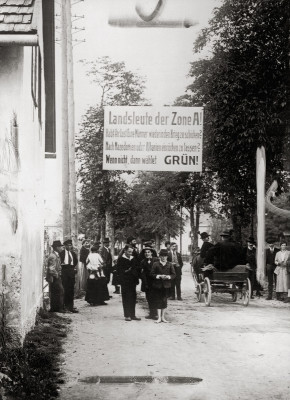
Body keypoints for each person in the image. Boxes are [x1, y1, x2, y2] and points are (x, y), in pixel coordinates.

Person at [151, 249, 176, 323]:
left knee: (164, 301)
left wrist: (168, 277)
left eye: (165, 256)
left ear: (167, 257)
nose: (164, 258)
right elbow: (151, 274)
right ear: (159, 256)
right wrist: (159, 276)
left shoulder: (170, 264)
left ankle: (163, 317)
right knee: (158, 300)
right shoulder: (155, 264)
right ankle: (159, 317)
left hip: (166, 285)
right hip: (157, 285)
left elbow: (174, 274)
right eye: (162, 256)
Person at [116, 245, 141, 321]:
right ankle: (127, 315)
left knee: (133, 297)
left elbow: (137, 268)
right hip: (125, 281)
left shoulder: (133, 259)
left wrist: (136, 272)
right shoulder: (121, 259)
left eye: (131, 252)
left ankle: (133, 315)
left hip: (133, 281)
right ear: (125, 251)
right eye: (129, 251)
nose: (130, 253)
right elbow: (119, 271)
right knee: (126, 297)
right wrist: (127, 271)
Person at [59, 239, 79, 313]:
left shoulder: (73, 253)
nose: (69, 246)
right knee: (65, 289)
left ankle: (70, 306)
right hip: (64, 271)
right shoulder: (61, 253)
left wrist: (73, 269)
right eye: (67, 245)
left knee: (71, 289)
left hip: (71, 271)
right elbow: (59, 262)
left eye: (70, 245)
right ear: (64, 246)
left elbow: (75, 261)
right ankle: (64, 306)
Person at [46, 240, 65, 313]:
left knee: (56, 292)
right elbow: (51, 269)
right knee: (59, 291)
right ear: (57, 247)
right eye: (60, 247)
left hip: (55, 277)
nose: (61, 248)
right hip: (54, 277)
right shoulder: (53, 256)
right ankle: (58, 308)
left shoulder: (55, 255)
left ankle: (55, 308)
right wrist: (57, 275)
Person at [140, 246, 158, 319]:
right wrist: (145, 281)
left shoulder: (156, 260)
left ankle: (156, 314)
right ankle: (151, 313)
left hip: (155, 282)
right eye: (145, 252)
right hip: (147, 282)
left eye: (148, 252)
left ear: (152, 253)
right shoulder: (143, 262)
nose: (147, 254)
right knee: (148, 298)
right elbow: (142, 273)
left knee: (155, 298)